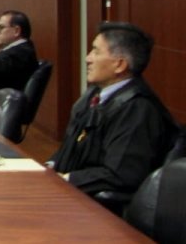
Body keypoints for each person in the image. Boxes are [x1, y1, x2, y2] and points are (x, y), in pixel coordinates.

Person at [50, 22, 177, 200]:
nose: (88, 58)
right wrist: (49, 167)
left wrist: (64, 180)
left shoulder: (137, 109)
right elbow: (70, 149)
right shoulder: (94, 95)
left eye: (96, 52)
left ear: (119, 64)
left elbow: (120, 174)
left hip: (97, 207)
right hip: (68, 192)